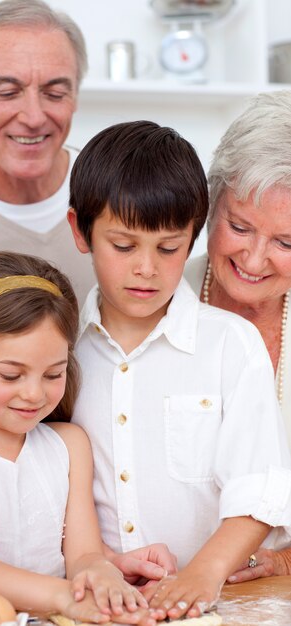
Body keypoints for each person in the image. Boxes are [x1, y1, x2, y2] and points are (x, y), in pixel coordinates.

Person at [67, 120, 291, 621]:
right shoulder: (61, 348)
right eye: (124, 247)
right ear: (80, 232)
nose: (146, 268)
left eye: (168, 248)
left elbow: (258, 489)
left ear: (191, 237)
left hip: (215, 604)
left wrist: (202, 574)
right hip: (97, 601)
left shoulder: (231, 344)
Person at [0, 250, 156, 624]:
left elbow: (83, 554)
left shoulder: (70, 445)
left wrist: (101, 574)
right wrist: (63, 597)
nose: (34, 394)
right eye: (11, 375)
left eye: (53, 374)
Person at [184, 90, 291, 583]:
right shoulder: (155, 298)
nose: (253, 260)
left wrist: (281, 562)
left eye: (285, 242)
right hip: (160, 587)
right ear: (210, 205)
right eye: (240, 226)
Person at [0, 0, 96, 305]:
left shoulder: (112, 189)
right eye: (7, 93)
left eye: (55, 94)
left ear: (75, 97)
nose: (33, 117)